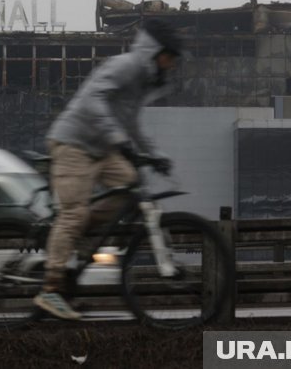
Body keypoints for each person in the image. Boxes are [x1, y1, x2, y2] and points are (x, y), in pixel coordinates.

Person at [33, 19, 184, 320]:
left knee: (131, 183)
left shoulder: (141, 83)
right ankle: (50, 289)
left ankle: (76, 236)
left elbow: (132, 124)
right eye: (169, 56)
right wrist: (119, 140)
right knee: (73, 212)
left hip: (101, 148)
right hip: (72, 143)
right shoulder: (126, 66)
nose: (172, 64)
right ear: (155, 52)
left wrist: (155, 155)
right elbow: (92, 100)